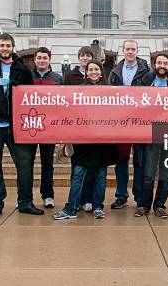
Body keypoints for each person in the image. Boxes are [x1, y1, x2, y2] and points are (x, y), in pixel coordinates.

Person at [0, 33, 43, 217]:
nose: (5, 48)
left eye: (8, 45)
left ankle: (25, 201)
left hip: (16, 126)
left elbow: (31, 97)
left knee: (24, 164)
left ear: (13, 47)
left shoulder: (23, 70)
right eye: (2, 45)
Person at [53, 61, 118, 220]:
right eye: (91, 69)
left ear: (101, 72)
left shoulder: (111, 92)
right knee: (78, 175)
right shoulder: (78, 91)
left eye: (96, 69)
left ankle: (98, 207)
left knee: (100, 176)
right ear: (86, 72)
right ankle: (71, 208)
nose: (94, 72)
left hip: (103, 140)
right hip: (83, 140)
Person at [136, 53, 168, 219]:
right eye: (159, 62)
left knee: (166, 174)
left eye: (165, 63)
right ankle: (144, 205)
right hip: (150, 133)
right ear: (154, 64)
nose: (162, 65)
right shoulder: (145, 81)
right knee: (148, 173)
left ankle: (159, 205)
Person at [108, 39, 150, 210]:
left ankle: (140, 197)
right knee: (122, 161)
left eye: (133, 49)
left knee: (140, 162)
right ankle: (121, 196)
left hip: (140, 123)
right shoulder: (115, 72)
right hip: (121, 124)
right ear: (123, 51)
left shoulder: (147, 71)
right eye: (127, 49)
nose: (130, 52)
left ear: (137, 51)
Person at [62, 46, 96, 212]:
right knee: (76, 167)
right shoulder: (70, 76)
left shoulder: (97, 76)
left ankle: (87, 199)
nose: (85, 58)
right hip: (76, 126)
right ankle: (75, 199)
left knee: (90, 167)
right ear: (79, 58)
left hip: (94, 128)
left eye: (88, 56)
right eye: (82, 56)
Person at [30, 47, 63, 208]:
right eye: (39, 58)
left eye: (45, 58)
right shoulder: (26, 76)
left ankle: (48, 195)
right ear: (34, 60)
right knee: (26, 164)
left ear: (49, 60)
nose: (42, 60)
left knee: (47, 163)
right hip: (29, 126)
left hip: (49, 127)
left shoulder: (57, 78)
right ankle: (25, 197)